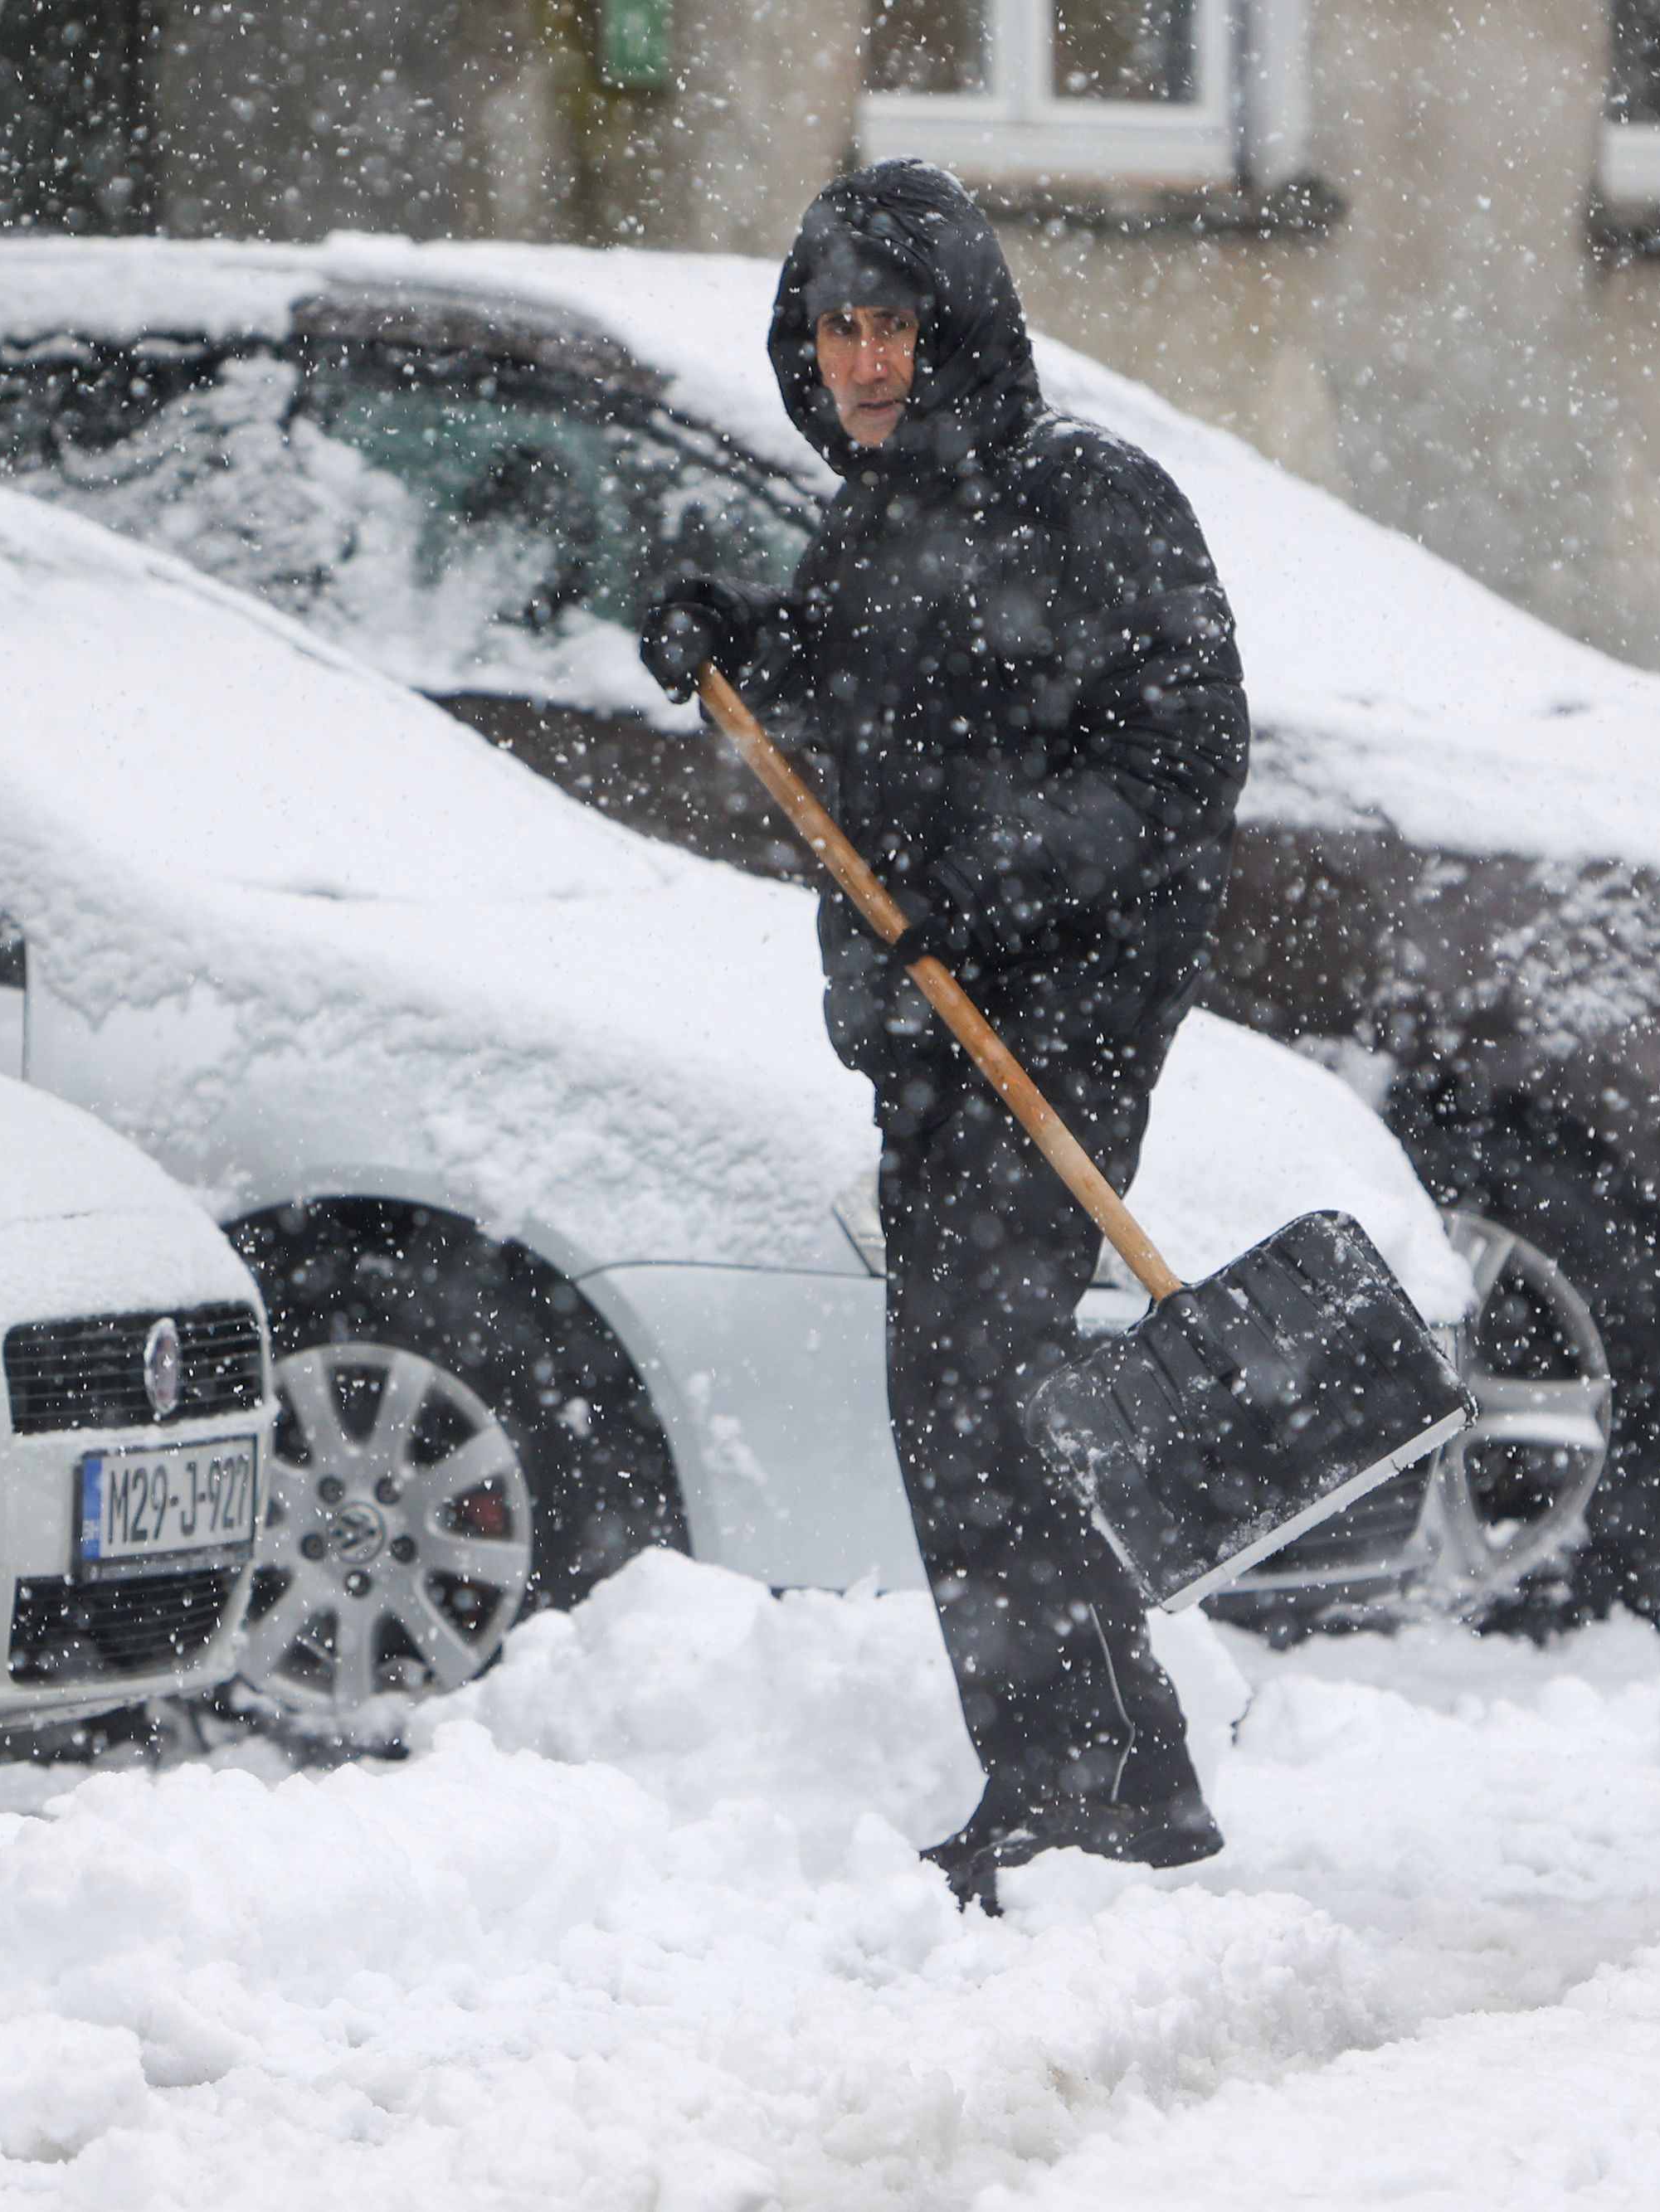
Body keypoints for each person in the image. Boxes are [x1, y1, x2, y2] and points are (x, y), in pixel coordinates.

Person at [636, 158, 1249, 1912]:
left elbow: (1180, 759)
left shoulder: (1087, 501)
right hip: (924, 1039)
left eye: (891, 324)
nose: (861, 361)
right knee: (962, 1401)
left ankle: (1084, 1783)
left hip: (1057, 1024)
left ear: (956, 326)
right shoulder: (871, 527)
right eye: (834, 328)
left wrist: (993, 883)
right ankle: (1108, 1773)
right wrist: (732, 635)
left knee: (975, 1391)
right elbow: (856, 716)